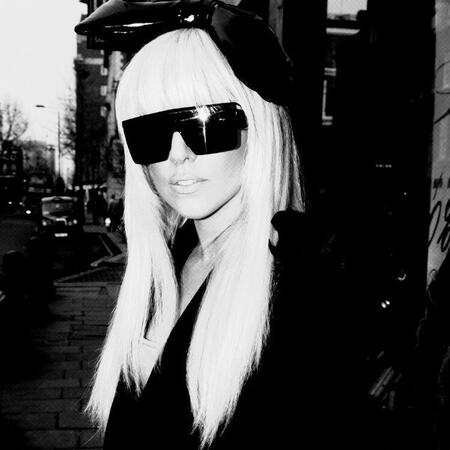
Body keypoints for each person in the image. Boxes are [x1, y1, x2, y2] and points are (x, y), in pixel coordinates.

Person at [75, 1, 362, 448]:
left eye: (206, 123)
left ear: (257, 127)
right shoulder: (168, 262)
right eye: (151, 132)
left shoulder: (303, 290)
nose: (178, 156)